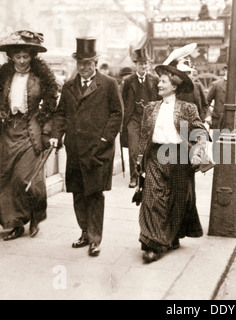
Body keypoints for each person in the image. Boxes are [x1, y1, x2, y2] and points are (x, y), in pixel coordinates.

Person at [49, 38, 123, 257]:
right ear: (76, 63)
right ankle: (84, 233)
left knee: (94, 193)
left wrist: (104, 140)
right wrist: (56, 135)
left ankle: (95, 239)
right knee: (78, 193)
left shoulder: (108, 84)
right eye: (80, 63)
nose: (83, 67)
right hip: (75, 149)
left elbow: (117, 113)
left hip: (97, 150)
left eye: (88, 63)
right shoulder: (69, 85)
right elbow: (61, 113)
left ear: (95, 62)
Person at [137, 63, 207, 263]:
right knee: (151, 198)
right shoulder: (150, 108)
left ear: (174, 86)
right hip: (155, 156)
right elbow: (144, 136)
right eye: (159, 81)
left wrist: (199, 149)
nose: (159, 84)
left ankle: (171, 236)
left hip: (178, 157)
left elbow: (199, 130)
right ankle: (152, 244)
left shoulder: (187, 108)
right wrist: (140, 160)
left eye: (163, 81)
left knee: (175, 201)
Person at [0, 30, 59, 241]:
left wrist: (47, 131)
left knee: (27, 179)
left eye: (26, 56)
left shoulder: (40, 77)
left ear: (32, 57)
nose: (22, 61)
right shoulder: (4, 76)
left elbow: (52, 107)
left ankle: (36, 216)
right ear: (11, 57)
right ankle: (14, 223)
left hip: (30, 130)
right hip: (8, 131)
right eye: (18, 57)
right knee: (7, 178)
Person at [120, 48, 160, 188]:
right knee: (133, 150)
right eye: (140, 64)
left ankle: (148, 176)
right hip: (133, 119)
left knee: (150, 148)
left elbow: (161, 98)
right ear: (135, 65)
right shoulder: (128, 81)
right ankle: (134, 177)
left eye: (145, 64)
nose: (143, 66)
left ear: (148, 65)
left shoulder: (155, 80)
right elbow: (122, 100)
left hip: (150, 119)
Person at [207, 65, 236, 158]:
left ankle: (226, 167)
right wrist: (209, 115)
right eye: (228, 70)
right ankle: (217, 166)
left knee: (231, 143)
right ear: (225, 71)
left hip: (232, 119)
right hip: (218, 119)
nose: (230, 72)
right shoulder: (216, 84)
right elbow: (206, 101)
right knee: (217, 143)